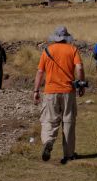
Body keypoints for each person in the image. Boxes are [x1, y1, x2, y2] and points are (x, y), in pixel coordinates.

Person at [33, 26, 86, 165]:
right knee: (68, 121)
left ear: (55, 37)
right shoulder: (72, 49)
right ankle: (68, 154)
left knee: (49, 120)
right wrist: (80, 84)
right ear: (66, 37)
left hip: (50, 91)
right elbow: (79, 68)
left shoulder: (47, 51)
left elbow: (39, 72)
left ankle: (48, 141)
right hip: (68, 91)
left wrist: (36, 91)